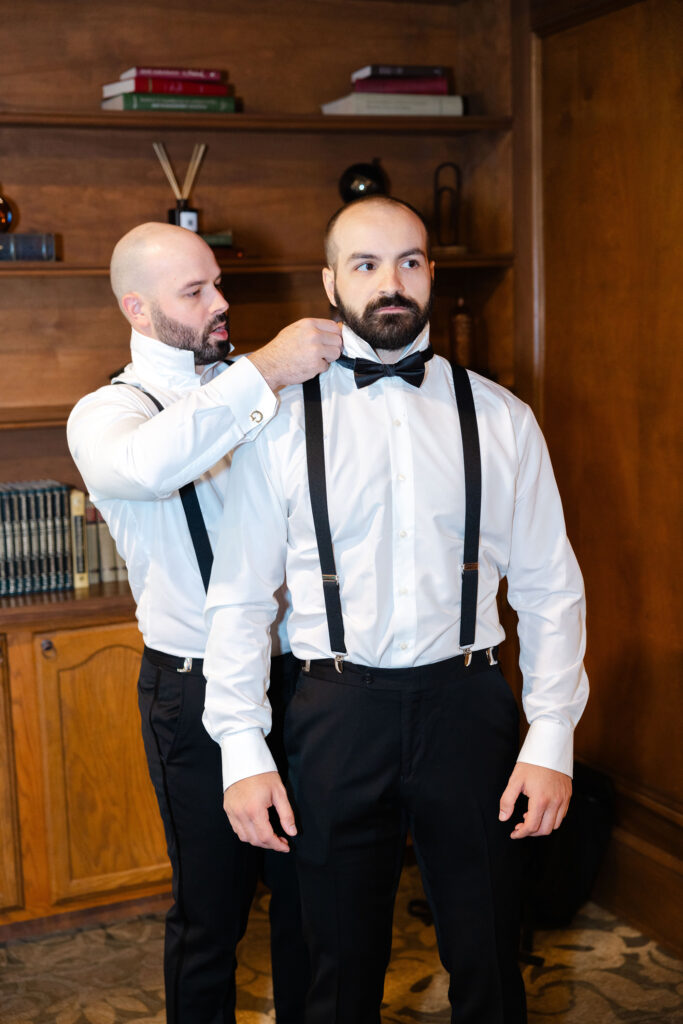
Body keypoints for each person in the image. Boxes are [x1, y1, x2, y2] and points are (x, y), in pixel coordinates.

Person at [202, 195, 589, 1024]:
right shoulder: (276, 427)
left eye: (409, 261)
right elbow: (237, 600)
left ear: (431, 273)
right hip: (333, 710)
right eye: (366, 264)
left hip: (468, 705)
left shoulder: (502, 418)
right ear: (329, 281)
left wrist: (550, 733)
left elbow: (551, 589)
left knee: (489, 954)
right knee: (334, 968)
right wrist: (240, 745)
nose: (390, 283)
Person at [67, 221, 343, 1024]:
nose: (221, 303)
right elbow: (152, 464)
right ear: (138, 309)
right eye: (195, 293)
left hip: (299, 681)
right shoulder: (105, 413)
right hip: (192, 698)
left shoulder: (255, 388)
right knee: (210, 915)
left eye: (217, 283)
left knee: (310, 909)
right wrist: (265, 371)